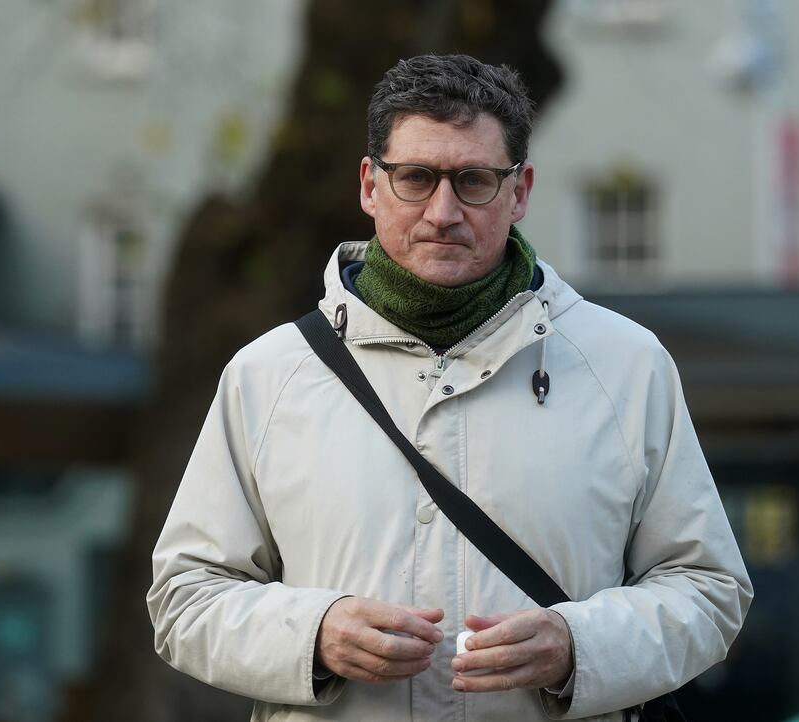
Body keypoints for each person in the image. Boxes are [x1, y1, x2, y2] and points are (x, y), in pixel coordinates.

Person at [147, 54, 753, 721]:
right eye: (415, 178)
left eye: (473, 181)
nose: (443, 212)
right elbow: (184, 598)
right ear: (370, 185)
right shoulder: (268, 375)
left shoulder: (627, 365)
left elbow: (710, 590)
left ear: (519, 191)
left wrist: (580, 646)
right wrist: (313, 634)